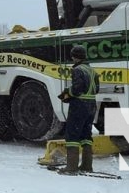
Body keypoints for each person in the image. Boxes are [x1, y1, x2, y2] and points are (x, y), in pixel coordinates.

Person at [57, 45, 100, 174]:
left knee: (72, 135)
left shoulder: (77, 70)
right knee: (86, 135)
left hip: (79, 105)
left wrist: (66, 93)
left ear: (74, 57)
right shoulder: (92, 70)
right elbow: (96, 89)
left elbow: (77, 89)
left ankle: (71, 167)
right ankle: (87, 165)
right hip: (92, 105)